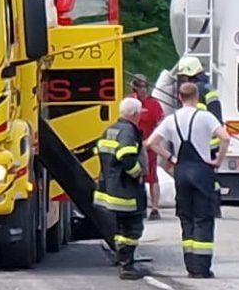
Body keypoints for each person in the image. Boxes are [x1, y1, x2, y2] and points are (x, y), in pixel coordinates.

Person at [148, 81, 227, 277]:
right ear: (197, 96)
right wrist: (218, 159)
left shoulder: (171, 119)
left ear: (179, 98)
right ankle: (202, 268)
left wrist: (171, 158)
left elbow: (151, 143)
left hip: (181, 171)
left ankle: (190, 266)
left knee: (186, 218)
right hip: (202, 171)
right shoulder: (206, 117)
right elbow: (225, 137)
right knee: (203, 217)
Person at [95, 97, 148, 279]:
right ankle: (127, 266)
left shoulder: (110, 129)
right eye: (140, 113)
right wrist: (137, 172)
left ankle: (123, 261)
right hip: (126, 190)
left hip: (112, 188)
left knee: (121, 229)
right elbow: (126, 157)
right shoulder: (127, 132)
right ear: (134, 114)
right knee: (132, 229)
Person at [130, 74, 167, 218]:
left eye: (145, 86)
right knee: (134, 175)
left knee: (152, 177)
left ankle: (155, 208)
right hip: (132, 144)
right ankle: (137, 206)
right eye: (140, 86)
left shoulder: (154, 104)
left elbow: (160, 124)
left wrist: (152, 141)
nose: (143, 90)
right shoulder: (130, 101)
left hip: (150, 144)